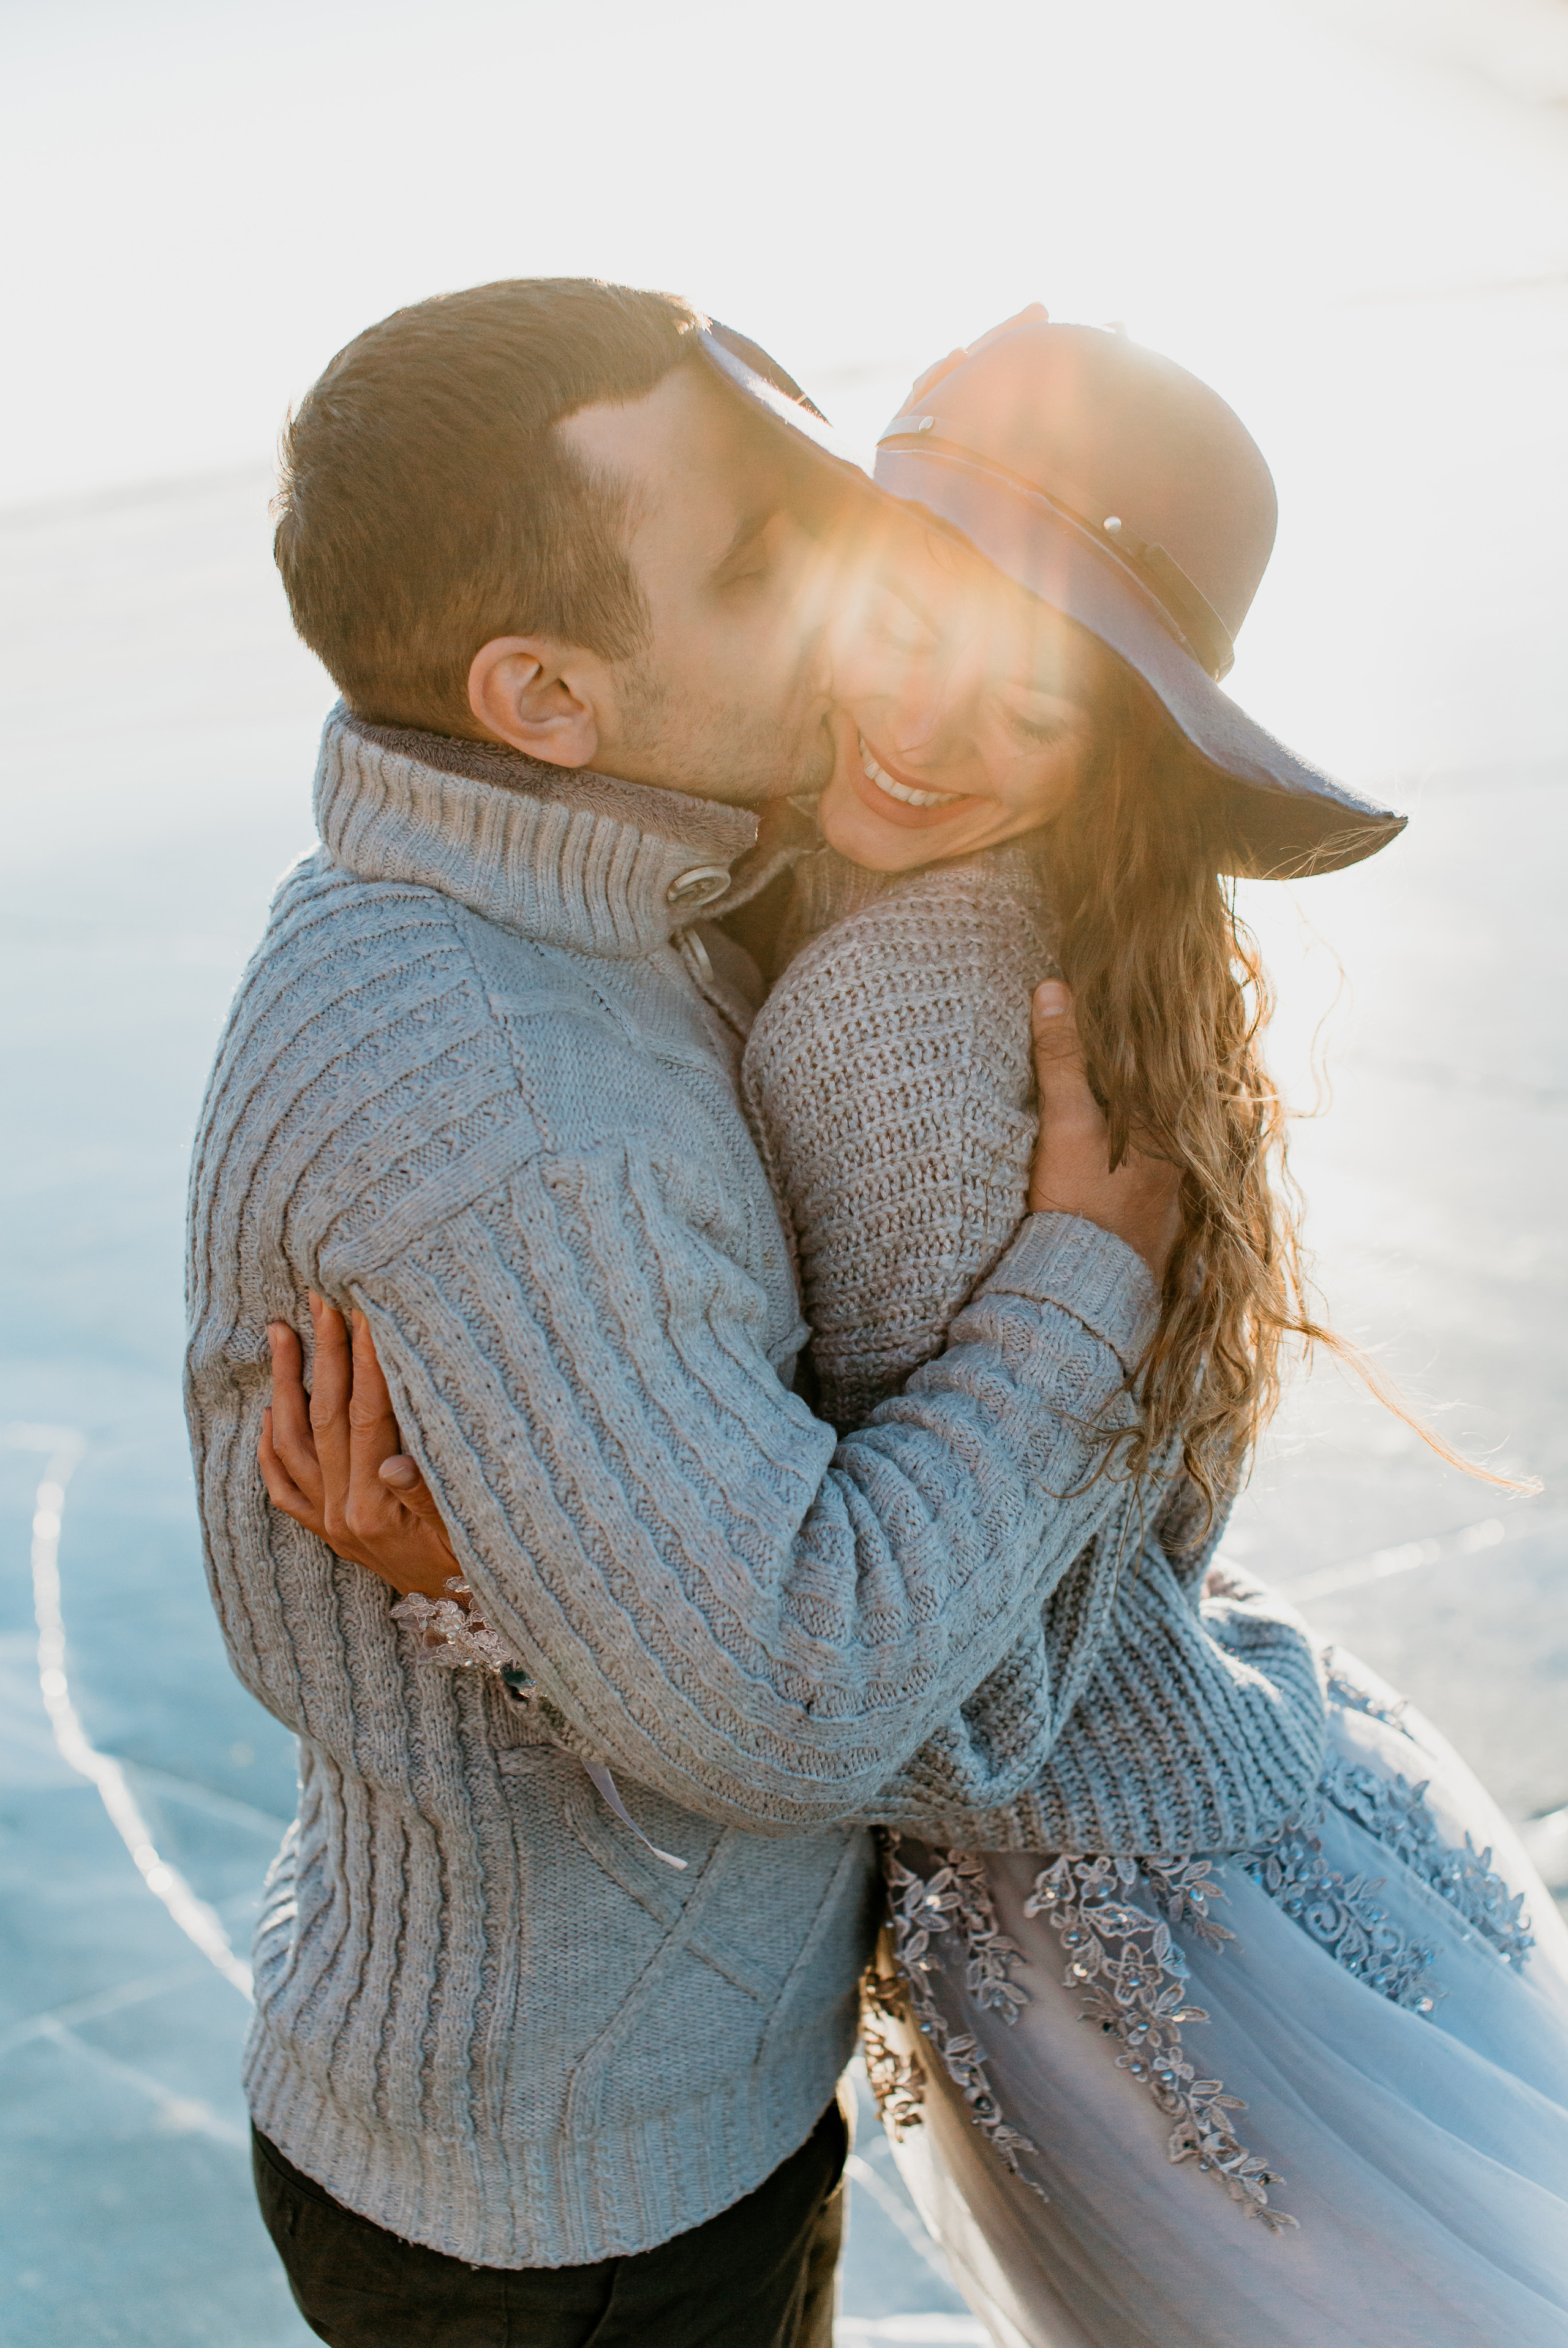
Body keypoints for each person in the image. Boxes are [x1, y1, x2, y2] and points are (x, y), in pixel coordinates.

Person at [288, 312, 1568, 2343]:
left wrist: (485, 1582)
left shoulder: (893, 1024)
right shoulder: (1093, 942)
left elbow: (907, 1706)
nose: (932, 719)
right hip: (1221, 1823)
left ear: (1118, 753)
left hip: (1125, 1955)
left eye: (1039, 695)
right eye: (908, 609)